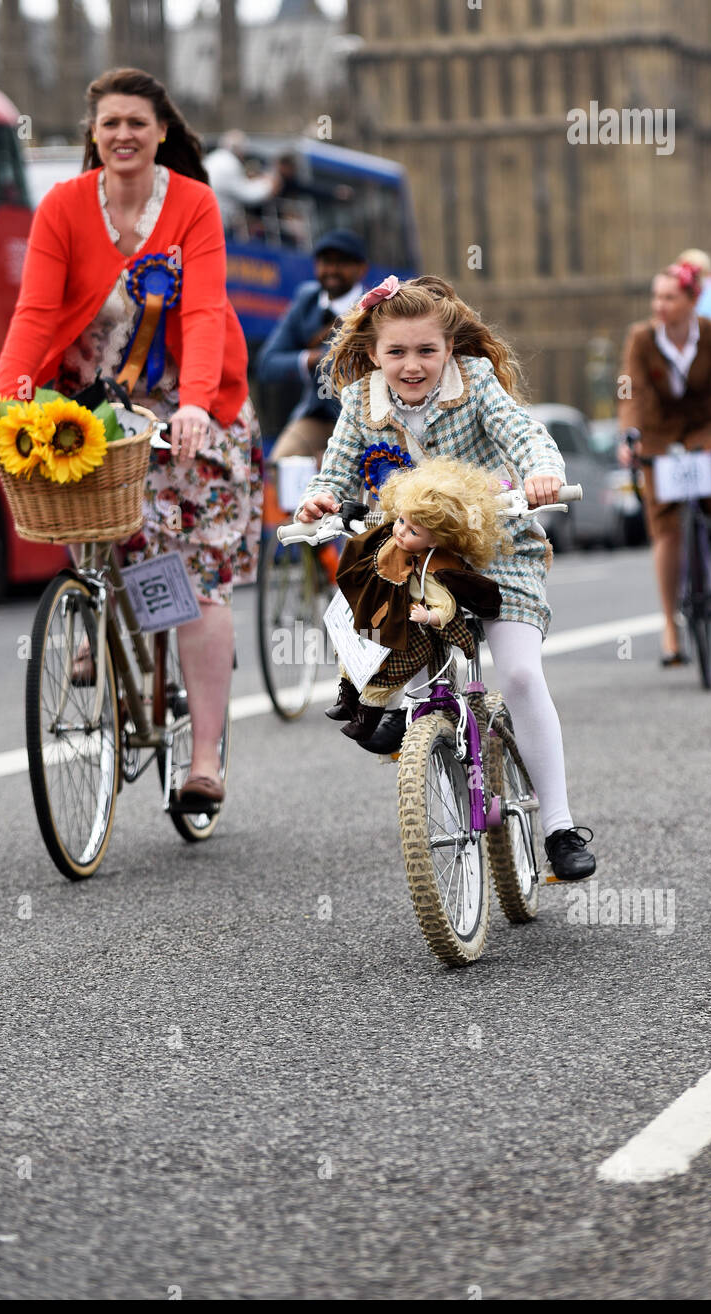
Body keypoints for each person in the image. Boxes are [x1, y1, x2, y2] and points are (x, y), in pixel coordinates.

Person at [0, 67, 262, 812]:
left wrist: (197, 404)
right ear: (93, 134)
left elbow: (203, 311)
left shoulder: (194, 206)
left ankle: (203, 760)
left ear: (161, 130)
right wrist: (1, 403)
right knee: (99, 508)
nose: (122, 135)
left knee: (196, 576)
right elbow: (35, 314)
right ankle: (99, 610)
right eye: (109, 123)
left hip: (188, 407)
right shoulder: (65, 208)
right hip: (99, 404)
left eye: (136, 122)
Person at [295, 273, 595, 882]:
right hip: (416, 553)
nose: (412, 365)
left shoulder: (476, 385)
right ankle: (394, 706)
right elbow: (336, 471)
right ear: (374, 353)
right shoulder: (360, 403)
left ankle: (559, 826)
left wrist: (540, 473)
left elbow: (526, 434)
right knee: (377, 602)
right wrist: (321, 501)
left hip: (497, 547)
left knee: (517, 672)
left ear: (450, 350)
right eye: (396, 352)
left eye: (427, 351)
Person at [616, 251, 711, 666]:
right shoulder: (642, 338)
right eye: (657, 297)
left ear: (692, 301)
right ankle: (671, 629)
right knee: (667, 530)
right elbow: (631, 389)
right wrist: (630, 434)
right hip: (659, 434)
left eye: (670, 297)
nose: (660, 305)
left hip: (705, 426)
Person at [326, 456, 504, 741]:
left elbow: (445, 607)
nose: (400, 531)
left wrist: (428, 616)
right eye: (401, 521)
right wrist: (350, 515)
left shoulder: (433, 567)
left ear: (434, 540)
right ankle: (347, 698)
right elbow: (377, 528)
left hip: (410, 635)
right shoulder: (391, 538)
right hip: (385, 619)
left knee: (383, 677)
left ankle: (366, 717)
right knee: (352, 650)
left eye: (413, 532)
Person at [257, 229, 369, 463]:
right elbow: (267, 363)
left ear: (361, 269)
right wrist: (310, 359)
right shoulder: (306, 300)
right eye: (326, 262)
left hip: (364, 418)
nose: (332, 270)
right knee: (281, 462)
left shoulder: (374, 308)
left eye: (342, 262)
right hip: (317, 415)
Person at [203, 130, 283, 235]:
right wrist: (270, 184)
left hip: (209, 217)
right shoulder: (228, 163)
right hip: (220, 222)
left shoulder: (213, 158)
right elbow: (247, 195)